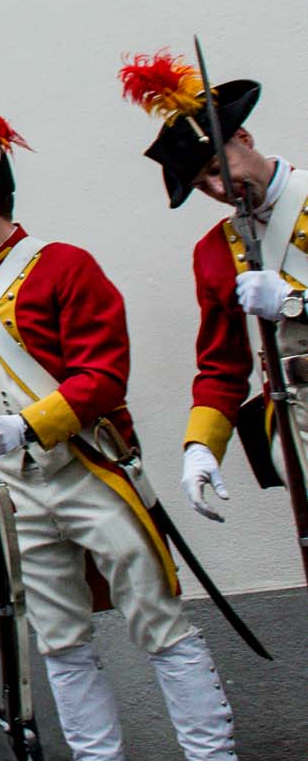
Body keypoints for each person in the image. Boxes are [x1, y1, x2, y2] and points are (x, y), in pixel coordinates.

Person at [0, 113, 250, 761]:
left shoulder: (64, 266)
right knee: (60, 646)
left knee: (162, 627)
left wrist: (22, 426)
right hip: (20, 493)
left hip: (91, 470)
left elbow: (102, 377)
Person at [120, 53, 308, 520]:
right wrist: (201, 446)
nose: (219, 188)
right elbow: (222, 365)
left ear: (243, 137)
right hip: (298, 421)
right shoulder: (216, 251)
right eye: (203, 183)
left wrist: (293, 303)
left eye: (216, 166)